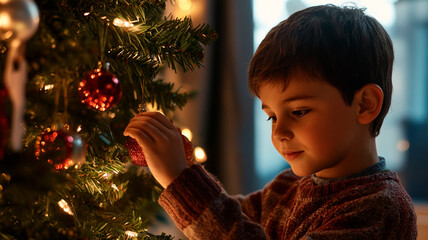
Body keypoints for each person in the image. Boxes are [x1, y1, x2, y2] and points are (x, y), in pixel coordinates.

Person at [124, 4, 417, 239]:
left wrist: (180, 180)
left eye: (299, 111)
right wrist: (185, 166)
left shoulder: (380, 208)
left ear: (365, 104)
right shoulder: (289, 186)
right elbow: (231, 217)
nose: (280, 132)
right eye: (272, 116)